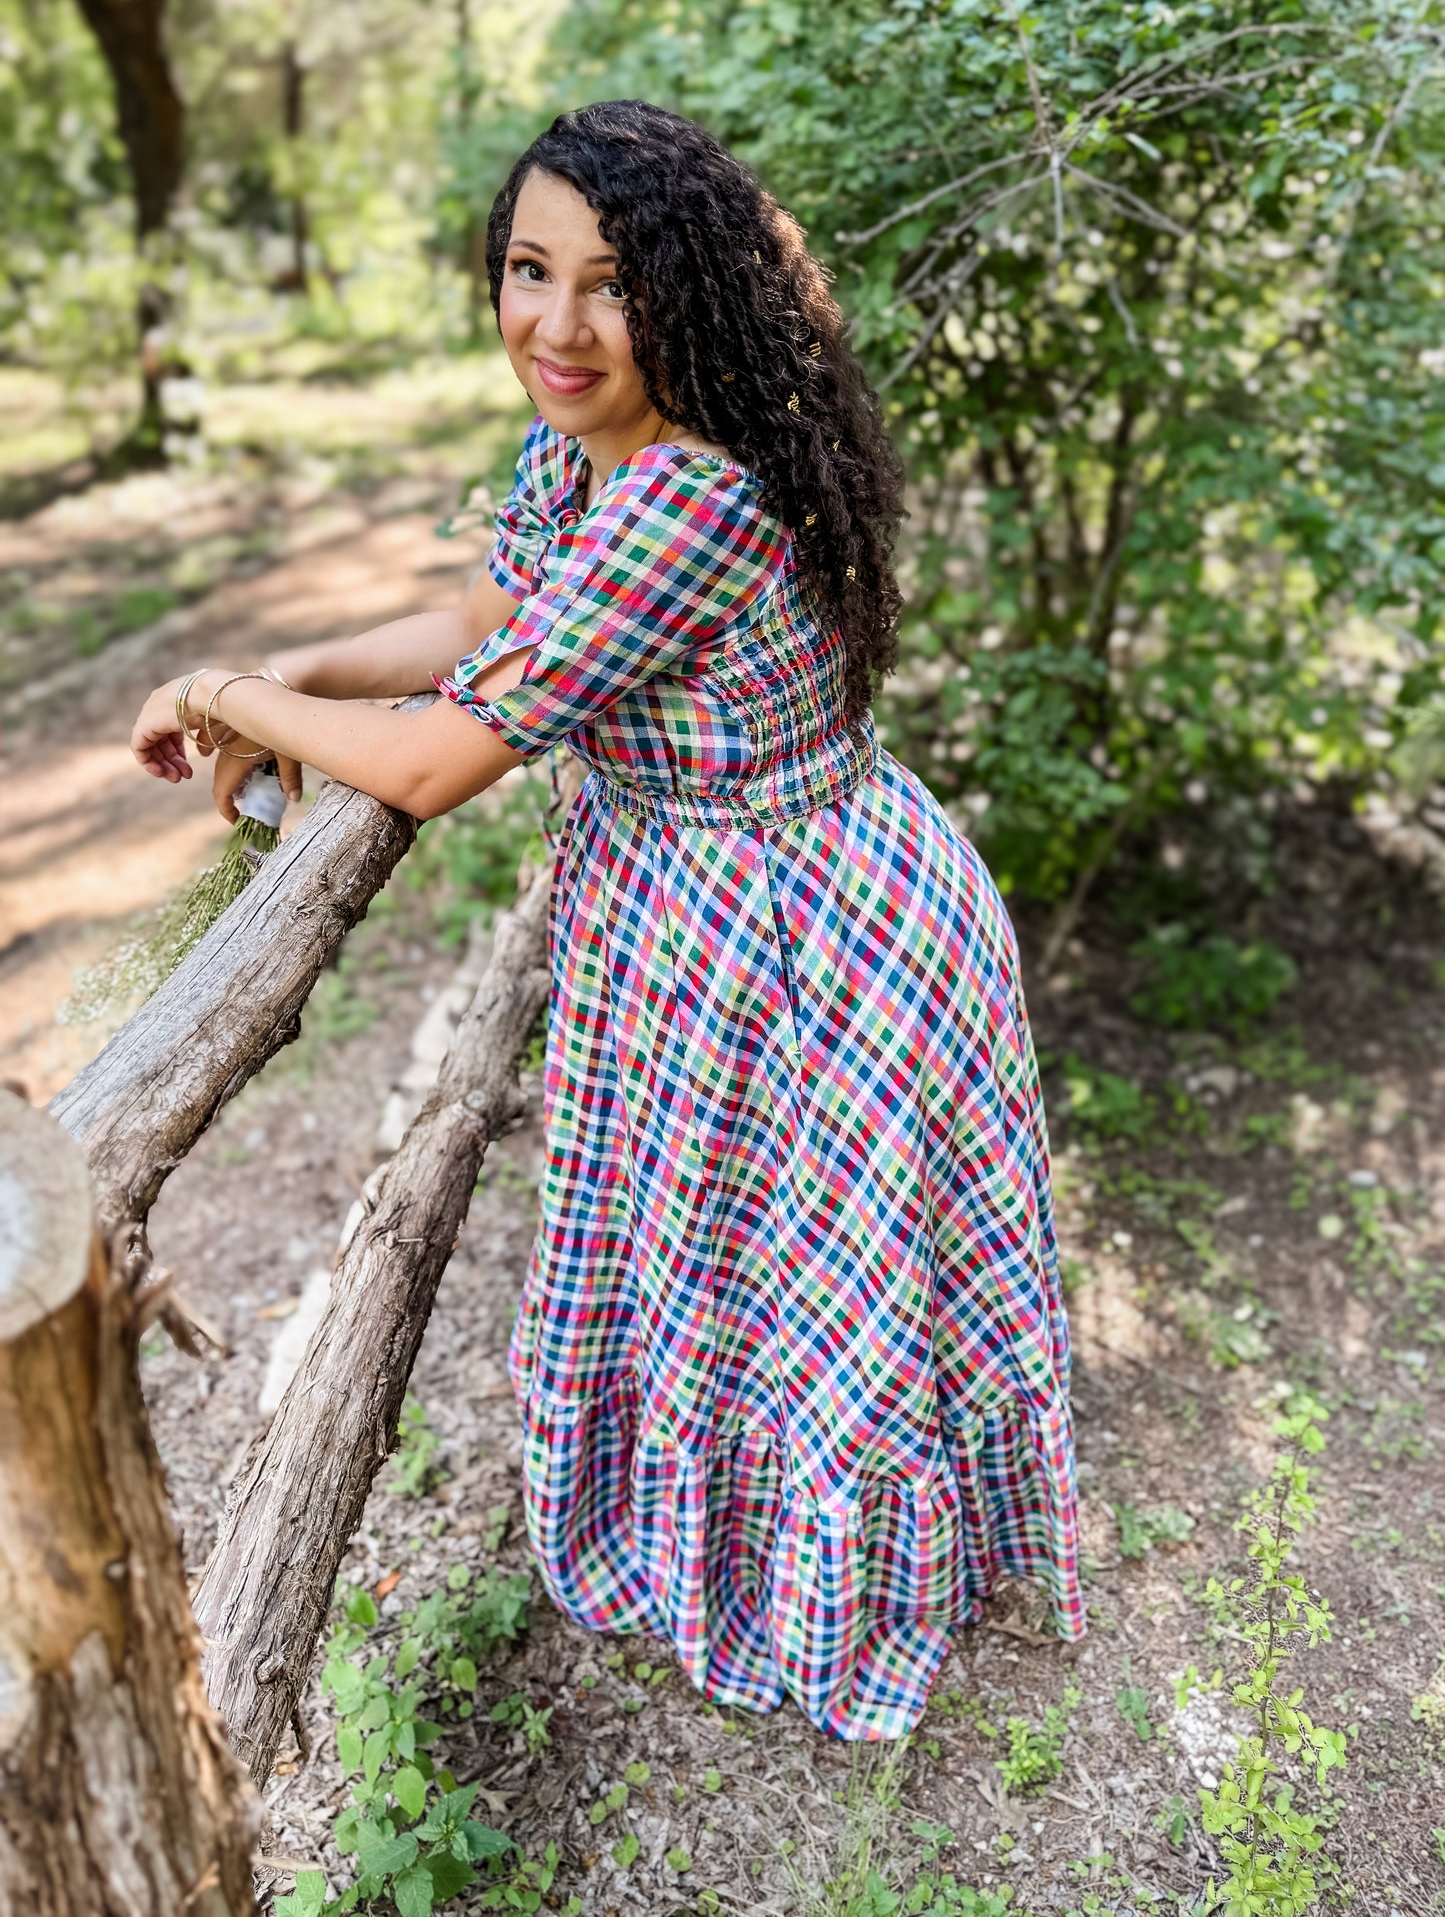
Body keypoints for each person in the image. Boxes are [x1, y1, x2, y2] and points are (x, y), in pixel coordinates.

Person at [131, 99, 1082, 1739]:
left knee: (804, 1273)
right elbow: (500, 618)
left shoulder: (691, 496)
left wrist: (221, 688)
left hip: (801, 939)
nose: (555, 325)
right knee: (737, 1264)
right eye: (526, 269)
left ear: (689, 295)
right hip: (718, 911)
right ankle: (750, 1551)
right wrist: (297, 677)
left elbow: (434, 764)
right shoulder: (614, 435)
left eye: (615, 280)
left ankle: (832, 1589)